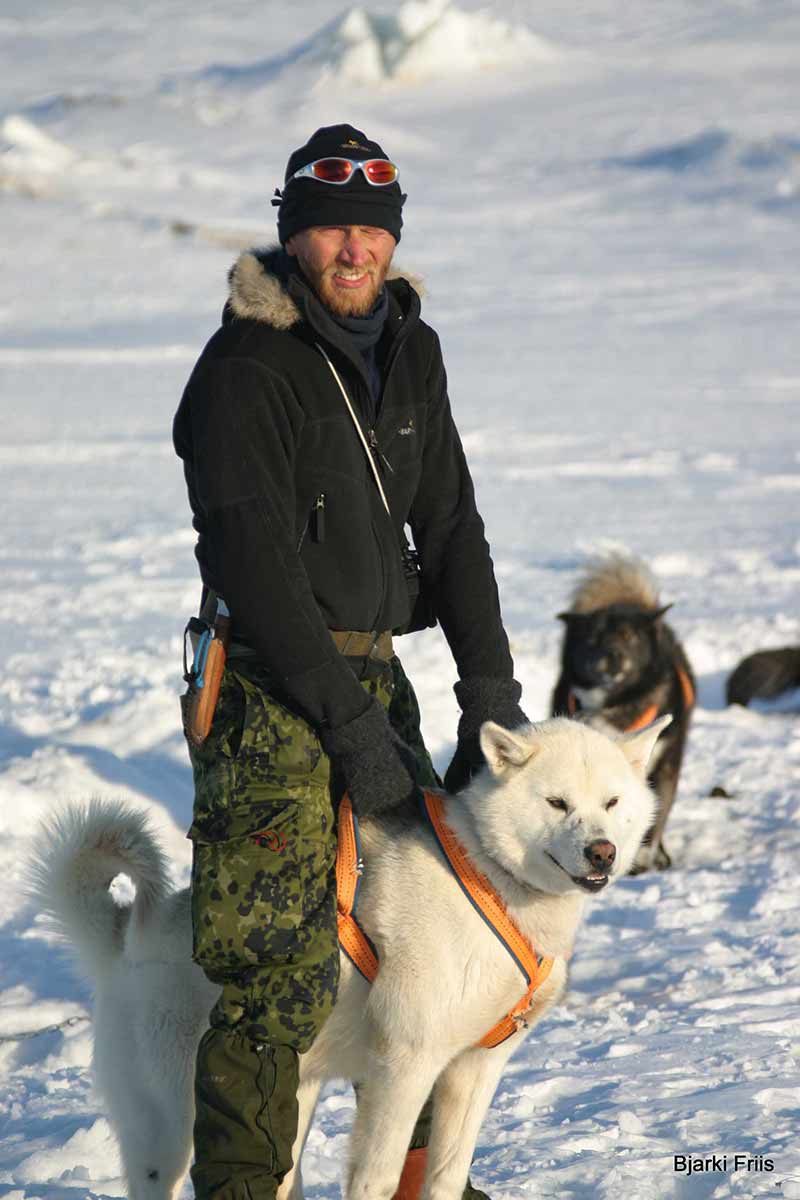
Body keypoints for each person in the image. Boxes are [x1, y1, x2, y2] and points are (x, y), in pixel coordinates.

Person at [173, 124, 528, 1200]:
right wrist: (346, 725)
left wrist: (489, 694)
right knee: (273, 966)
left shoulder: (412, 350)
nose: (354, 249)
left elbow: (451, 526)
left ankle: (419, 1182)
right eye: (330, 229)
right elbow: (254, 561)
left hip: (375, 679)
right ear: (294, 237)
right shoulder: (245, 368)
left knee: (439, 939)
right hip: (267, 685)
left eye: (372, 230)